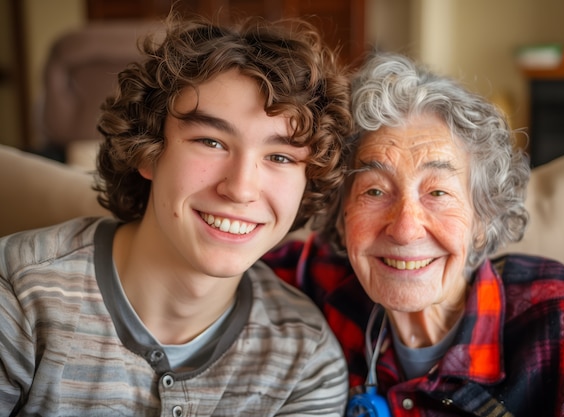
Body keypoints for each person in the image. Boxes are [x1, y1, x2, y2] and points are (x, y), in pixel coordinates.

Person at [0, 14, 353, 416]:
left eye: (279, 156)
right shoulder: (18, 298)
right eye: (211, 141)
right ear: (148, 151)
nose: (240, 188)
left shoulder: (305, 359)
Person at [264, 52, 564, 416]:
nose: (405, 229)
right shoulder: (321, 285)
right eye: (374, 191)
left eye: (437, 192)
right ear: (340, 217)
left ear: (483, 218)